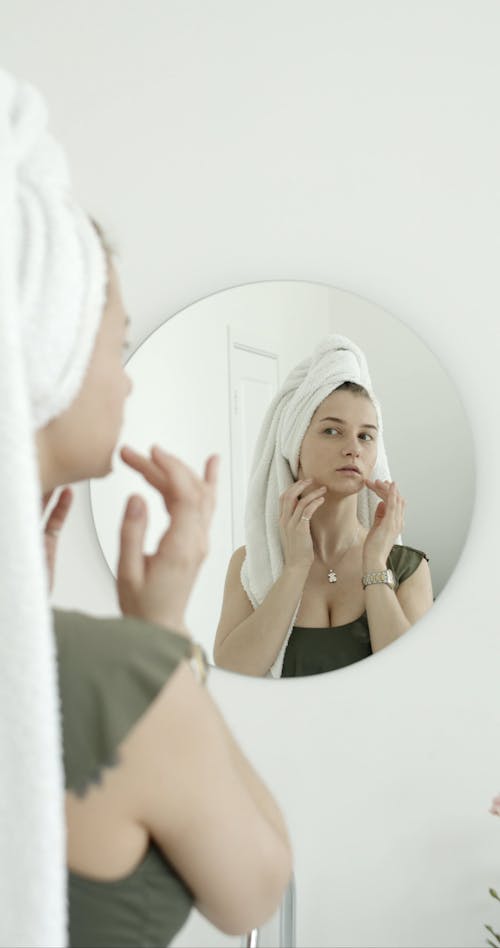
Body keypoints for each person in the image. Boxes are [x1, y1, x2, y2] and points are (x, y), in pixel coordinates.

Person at [0, 71, 292, 947]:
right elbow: (257, 892)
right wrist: (161, 635)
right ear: (42, 342)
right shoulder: (111, 677)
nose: (125, 377)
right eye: (116, 343)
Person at [214, 336, 434, 678]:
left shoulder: (407, 568)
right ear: (295, 442)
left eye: (365, 435)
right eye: (332, 431)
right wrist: (295, 568)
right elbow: (234, 674)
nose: (353, 449)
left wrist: (375, 564)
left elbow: (413, 681)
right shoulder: (252, 564)